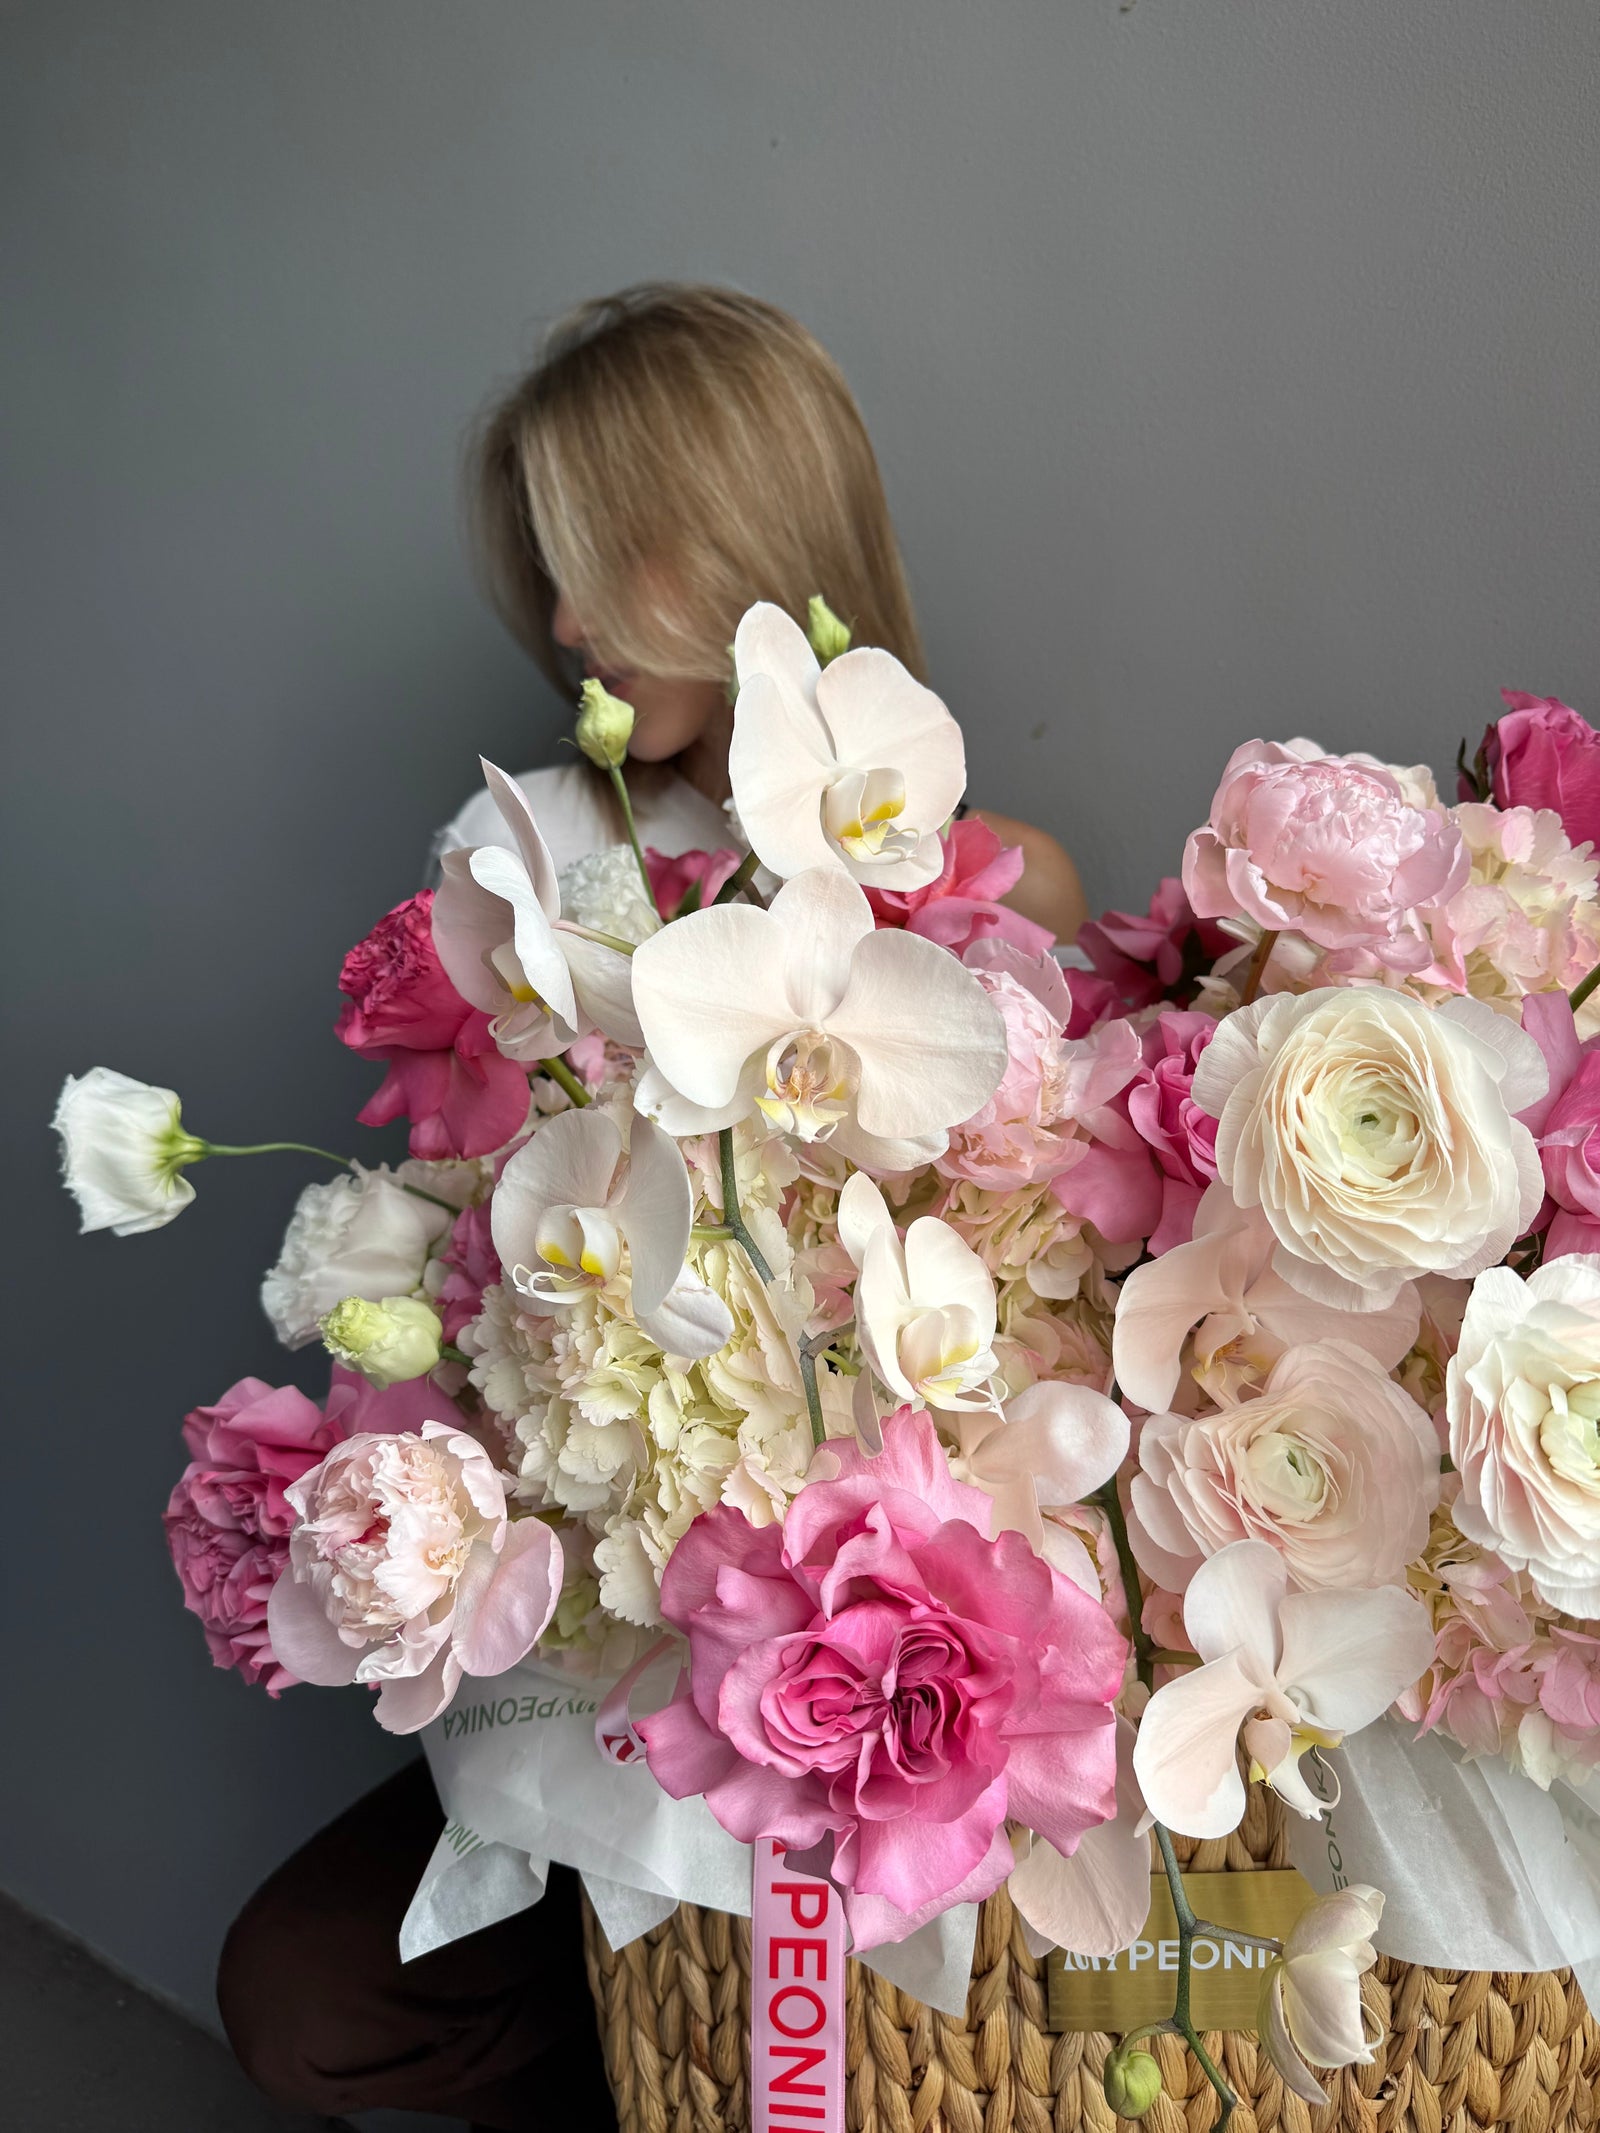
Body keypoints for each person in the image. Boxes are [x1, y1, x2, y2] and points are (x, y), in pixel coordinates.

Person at [218, 282, 1087, 2130]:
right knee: (313, 1993)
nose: (566, 623)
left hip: (881, 1672)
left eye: (609, 556)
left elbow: (1045, 1298)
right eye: (548, 569)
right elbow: (479, 1257)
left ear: (761, 541)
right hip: (609, 1629)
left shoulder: (991, 894)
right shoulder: (532, 858)